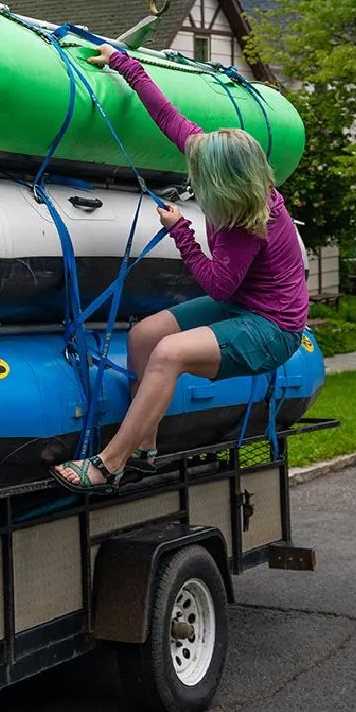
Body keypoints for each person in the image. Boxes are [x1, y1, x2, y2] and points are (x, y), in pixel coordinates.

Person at [49, 43, 309, 494]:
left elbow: (218, 287)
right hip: (245, 305)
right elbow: (168, 116)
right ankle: (145, 447)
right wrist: (123, 63)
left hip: (272, 328)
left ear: (224, 182)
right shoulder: (218, 161)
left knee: (169, 353)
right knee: (144, 336)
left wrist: (181, 232)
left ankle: (110, 463)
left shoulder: (246, 225)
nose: (192, 167)